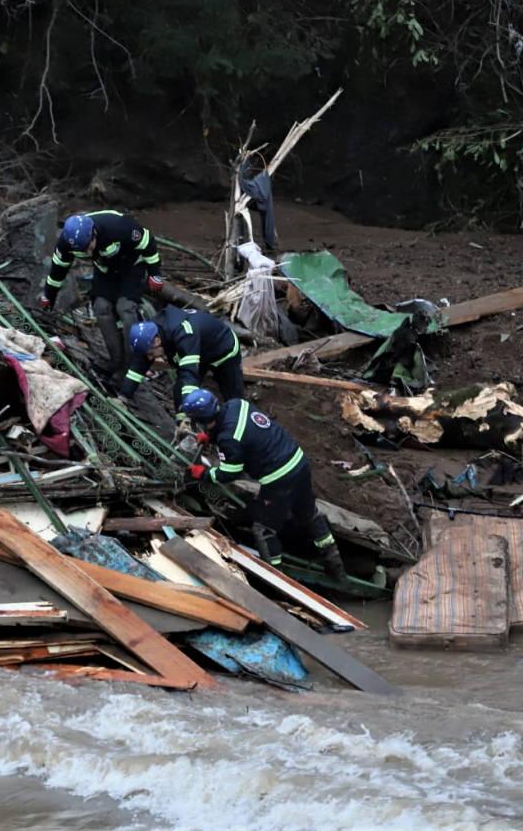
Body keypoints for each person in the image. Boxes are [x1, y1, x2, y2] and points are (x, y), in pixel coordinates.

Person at [180, 388, 347, 580]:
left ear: (200, 420)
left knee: (264, 529)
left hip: (278, 478)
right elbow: (244, 432)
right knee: (308, 514)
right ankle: (336, 568)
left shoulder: (228, 438)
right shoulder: (237, 404)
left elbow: (230, 472)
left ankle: (276, 579)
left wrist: (204, 474)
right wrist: (212, 437)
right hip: (298, 462)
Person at [40, 210, 162, 387]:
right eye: (82, 250)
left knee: (125, 308)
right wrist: (48, 295)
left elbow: (148, 241)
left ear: (94, 233)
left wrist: (155, 274)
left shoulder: (118, 226)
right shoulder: (66, 244)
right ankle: (116, 359)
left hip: (132, 266)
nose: (87, 252)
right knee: (101, 308)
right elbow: (58, 270)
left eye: (89, 246)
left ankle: (133, 364)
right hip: (105, 270)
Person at [119, 307, 244, 409]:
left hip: (223, 352)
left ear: (156, 341)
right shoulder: (153, 332)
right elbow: (138, 365)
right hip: (198, 350)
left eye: (151, 353)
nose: (150, 358)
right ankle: (184, 426)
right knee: (179, 389)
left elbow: (189, 374)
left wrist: (188, 411)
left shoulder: (184, 334)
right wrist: (123, 397)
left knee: (233, 397)